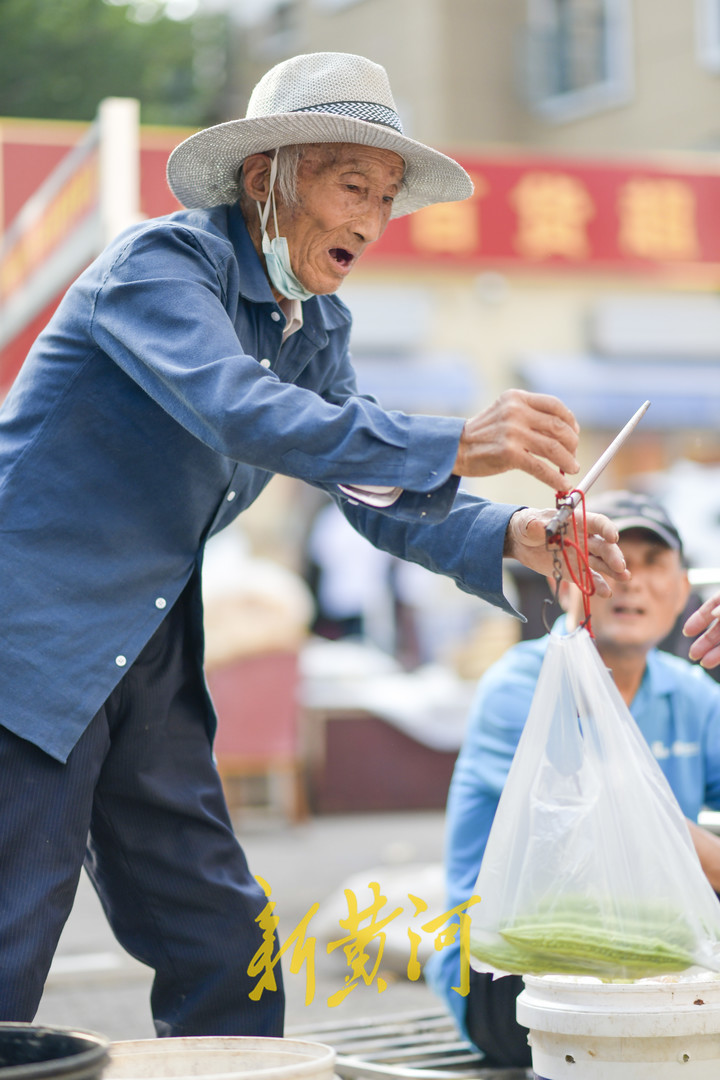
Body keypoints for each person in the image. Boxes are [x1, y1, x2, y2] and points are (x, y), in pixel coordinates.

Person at [0, 51, 627, 1035]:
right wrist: (459, 437)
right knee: (12, 927)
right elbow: (239, 410)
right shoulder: (160, 267)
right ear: (265, 178)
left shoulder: (311, 322)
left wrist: (510, 530)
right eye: (350, 187)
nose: (371, 223)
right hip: (29, 636)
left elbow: (367, 484)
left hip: (147, 650)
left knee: (224, 938)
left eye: (385, 198)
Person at [426, 490, 720, 1071]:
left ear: (684, 589)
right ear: (563, 582)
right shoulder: (520, 687)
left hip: (659, 953)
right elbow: (610, 822)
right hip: (513, 971)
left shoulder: (692, 695)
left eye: (651, 561)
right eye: (608, 558)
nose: (629, 579)